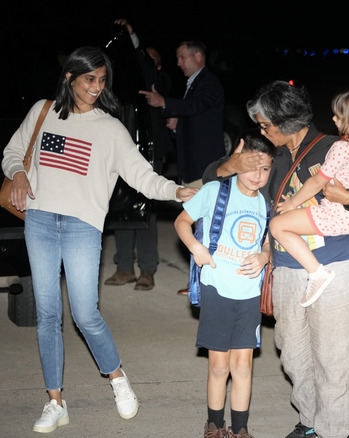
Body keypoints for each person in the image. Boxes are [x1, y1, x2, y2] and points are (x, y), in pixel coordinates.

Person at [1, 46, 196, 433]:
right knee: (48, 316)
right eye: (89, 78)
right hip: (38, 221)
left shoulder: (109, 129)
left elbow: (142, 176)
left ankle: (117, 377)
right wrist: (19, 174)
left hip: (81, 226)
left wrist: (176, 191)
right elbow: (12, 152)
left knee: (85, 314)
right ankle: (55, 402)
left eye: (102, 80)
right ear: (70, 77)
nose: (96, 86)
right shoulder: (44, 111)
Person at [202, 80, 349, 438]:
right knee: (292, 355)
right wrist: (231, 164)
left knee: (333, 359)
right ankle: (309, 421)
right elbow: (209, 179)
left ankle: (331, 431)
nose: (261, 131)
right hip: (286, 267)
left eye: (265, 125)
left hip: (332, 264)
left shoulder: (336, 147)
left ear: (284, 121)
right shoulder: (269, 156)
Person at [175, 129, 273, 438]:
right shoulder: (216, 191)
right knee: (218, 366)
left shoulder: (266, 203)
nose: (257, 175)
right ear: (237, 161)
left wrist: (265, 256)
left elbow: (269, 240)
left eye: (265, 168)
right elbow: (182, 222)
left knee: (243, 365)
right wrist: (196, 247)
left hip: (249, 293)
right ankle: (214, 425)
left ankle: (240, 428)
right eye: (251, 165)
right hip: (217, 288)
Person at [270, 84, 349, 318]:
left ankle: (317, 273)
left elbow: (317, 182)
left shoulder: (341, 148)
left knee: (278, 226)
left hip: (337, 215)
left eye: (339, 115)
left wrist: (293, 203)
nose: (334, 118)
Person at [140, 39, 225, 295]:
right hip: (192, 167)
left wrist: (163, 101)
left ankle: (205, 282)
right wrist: (179, 127)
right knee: (199, 226)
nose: (178, 63)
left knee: (205, 227)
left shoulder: (208, 82)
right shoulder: (194, 84)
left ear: (198, 57)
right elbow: (196, 117)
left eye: (181, 57)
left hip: (205, 169)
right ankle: (199, 282)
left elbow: (195, 106)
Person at [104, 19, 175, 291]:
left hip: (150, 152)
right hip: (123, 150)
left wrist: (134, 42)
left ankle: (147, 269)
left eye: (151, 57)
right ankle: (124, 268)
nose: (145, 59)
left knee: (146, 210)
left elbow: (143, 65)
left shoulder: (159, 80)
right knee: (122, 206)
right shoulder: (125, 81)